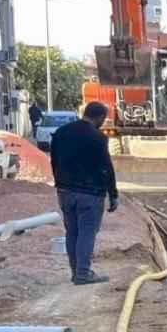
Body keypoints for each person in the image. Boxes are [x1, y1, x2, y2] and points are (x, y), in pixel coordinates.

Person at [50, 102, 118, 285]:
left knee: (72, 232)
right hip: (90, 193)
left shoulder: (61, 132)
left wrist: (59, 183)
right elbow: (106, 167)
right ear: (100, 118)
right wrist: (113, 194)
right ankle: (83, 274)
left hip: (65, 190)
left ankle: (76, 273)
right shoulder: (98, 138)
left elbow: (54, 160)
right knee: (87, 232)